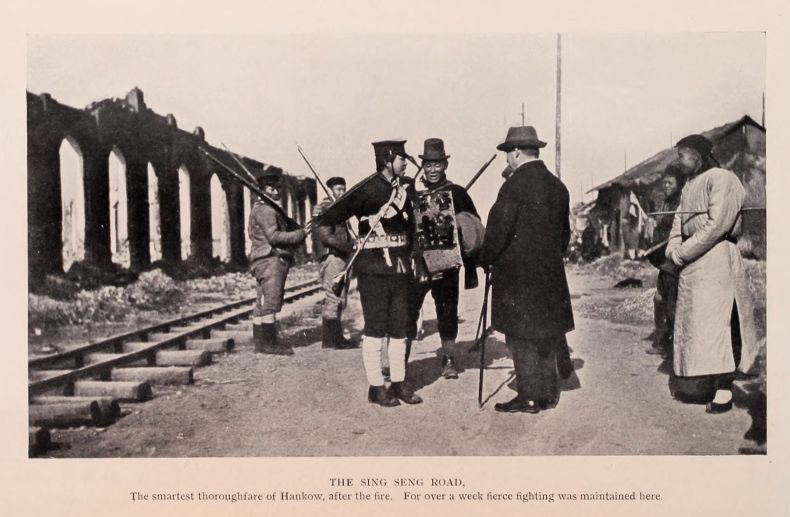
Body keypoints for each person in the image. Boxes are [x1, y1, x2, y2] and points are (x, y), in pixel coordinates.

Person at [317, 140, 423, 407]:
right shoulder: (366, 189)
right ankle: (376, 387)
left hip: (400, 268)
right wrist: (329, 215)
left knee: (400, 328)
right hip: (373, 269)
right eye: (401, 158)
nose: (405, 163)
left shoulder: (404, 189)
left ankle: (398, 384)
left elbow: (412, 227)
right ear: (387, 159)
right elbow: (329, 217)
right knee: (375, 329)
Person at [478, 126, 575, 414]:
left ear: (516, 152)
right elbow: (565, 235)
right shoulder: (558, 186)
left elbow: (499, 231)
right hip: (550, 275)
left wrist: (486, 258)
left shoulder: (514, 185)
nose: (507, 159)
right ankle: (548, 394)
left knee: (520, 336)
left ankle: (529, 396)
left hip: (517, 277)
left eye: (508, 154)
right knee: (546, 332)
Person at [665, 134, 760, 413]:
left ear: (698, 155)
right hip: (693, 267)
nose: (678, 160)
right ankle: (703, 384)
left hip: (717, 260)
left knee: (721, 325)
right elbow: (677, 223)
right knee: (697, 327)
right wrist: (673, 248)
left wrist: (683, 252)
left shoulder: (722, 178)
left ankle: (724, 389)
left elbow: (717, 224)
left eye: (682, 154)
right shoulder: (690, 185)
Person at [406, 138, 480, 379]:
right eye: (428, 165)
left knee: (447, 310)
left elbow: (473, 226)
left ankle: (448, 359)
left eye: (437, 165)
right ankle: (401, 361)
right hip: (419, 263)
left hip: (447, 263)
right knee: (409, 309)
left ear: (445, 165)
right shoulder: (413, 194)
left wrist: (457, 225)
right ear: (422, 167)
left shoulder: (457, 193)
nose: (433, 170)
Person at [248, 168, 307, 355]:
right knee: (271, 303)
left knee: (262, 304)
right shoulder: (266, 210)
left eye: (276, 188)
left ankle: (261, 343)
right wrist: (300, 234)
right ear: (263, 190)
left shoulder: (261, 208)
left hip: (262, 259)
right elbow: (274, 237)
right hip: (271, 259)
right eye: (271, 188)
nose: (276, 191)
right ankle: (268, 344)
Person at [312, 177, 358, 349]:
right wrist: (349, 247)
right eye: (338, 189)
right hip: (333, 257)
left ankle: (336, 338)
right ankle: (331, 340)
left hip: (342, 257)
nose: (342, 192)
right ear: (330, 190)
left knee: (340, 298)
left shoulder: (340, 209)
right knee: (333, 297)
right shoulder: (325, 209)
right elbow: (326, 237)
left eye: (343, 189)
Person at [645, 166, 683, 357]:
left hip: (675, 259)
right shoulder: (666, 203)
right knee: (660, 300)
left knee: (669, 303)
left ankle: (669, 346)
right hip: (664, 260)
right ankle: (662, 341)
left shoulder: (681, 203)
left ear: (679, 184)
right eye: (664, 183)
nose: (666, 186)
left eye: (670, 183)